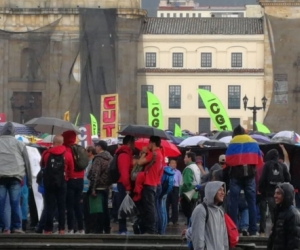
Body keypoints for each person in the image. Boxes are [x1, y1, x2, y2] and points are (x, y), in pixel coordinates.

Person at [226, 124, 263, 236]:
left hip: (236, 176)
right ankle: (253, 230)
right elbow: (259, 160)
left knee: (234, 203)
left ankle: (233, 230)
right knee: (251, 203)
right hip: (249, 176)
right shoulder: (253, 141)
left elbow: (228, 160)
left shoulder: (232, 142)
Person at [0, 122, 32, 234]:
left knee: (1, 203)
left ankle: (1, 227)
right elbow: (27, 163)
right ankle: (17, 227)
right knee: (16, 203)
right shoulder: (20, 144)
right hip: (15, 176)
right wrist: (29, 182)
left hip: (1, 177)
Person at [42, 135, 73, 234]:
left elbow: (42, 165)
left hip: (49, 183)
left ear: (53, 142)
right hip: (62, 182)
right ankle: (61, 229)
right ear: (62, 142)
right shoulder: (67, 154)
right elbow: (71, 169)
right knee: (61, 206)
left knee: (50, 206)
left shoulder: (46, 153)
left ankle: (48, 229)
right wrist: (66, 177)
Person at [259, 149, 291, 235]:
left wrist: (260, 189)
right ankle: (280, 229)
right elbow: (288, 179)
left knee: (272, 212)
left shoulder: (267, 165)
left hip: (270, 193)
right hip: (281, 193)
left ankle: (268, 230)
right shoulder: (282, 165)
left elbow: (262, 178)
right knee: (280, 212)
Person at [189, 181, 229, 250]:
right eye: (219, 190)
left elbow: (224, 237)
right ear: (212, 191)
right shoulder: (200, 210)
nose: (223, 193)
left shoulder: (220, 211)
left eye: (223, 190)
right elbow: (198, 238)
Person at [138, 136, 163, 234]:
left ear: (152, 143)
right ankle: (153, 228)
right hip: (156, 184)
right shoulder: (160, 154)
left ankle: (151, 229)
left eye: (149, 143)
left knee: (150, 208)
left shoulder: (153, 154)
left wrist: (144, 152)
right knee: (153, 207)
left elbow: (140, 162)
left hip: (149, 183)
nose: (148, 144)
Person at [62, 130, 84, 234]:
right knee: (78, 205)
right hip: (80, 180)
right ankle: (81, 228)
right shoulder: (79, 149)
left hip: (70, 180)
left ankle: (71, 228)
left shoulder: (65, 150)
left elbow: (66, 166)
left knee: (70, 206)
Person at [88, 140, 112, 234]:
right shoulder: (110, 158)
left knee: (98, 210)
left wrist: (93, 188)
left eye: (96, 146)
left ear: (100, 147)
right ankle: (107, 228)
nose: (95, 148)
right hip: (107, 187)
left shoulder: (98, 158)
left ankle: (98, 229)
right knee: (106, 209)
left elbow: (95, 174)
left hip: (98, 187)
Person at [267, 183, 300, 250]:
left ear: (286, 195)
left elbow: (294, 242)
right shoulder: (278, 211)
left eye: (278, 193)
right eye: (275, 193)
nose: (275, 196)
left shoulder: (293, 214)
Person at [115, 135, 135, 235]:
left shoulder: (125, 154)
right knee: (122, 207)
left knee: (123, 207)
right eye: (133, 143)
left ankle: (123, 229)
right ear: (129, 143)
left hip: (122, 184)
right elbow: (124, 172)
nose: (134, 145)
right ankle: (122, 229)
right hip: (123, 185)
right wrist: (127, 187)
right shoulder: (124, 155)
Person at [180, 152, 200, 225]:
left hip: (187, 194)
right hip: (195, 194)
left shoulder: (188, 168)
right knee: (192, 213)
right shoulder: (196, 167)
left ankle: (189, 230)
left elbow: (187, 183)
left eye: (185, 157)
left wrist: (181, 192)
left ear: (189, 158)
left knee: (189, 215)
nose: (184, 159)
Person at [83, 146, 96, 234]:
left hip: (89, 188)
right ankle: (87, 227)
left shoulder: (94, 162)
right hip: (84, 189)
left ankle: (91, 227)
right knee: (85, 210)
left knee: (91, 209)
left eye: (86, 151)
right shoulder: (85, 162)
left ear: (90, 152)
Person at [167, 159, 181, 226]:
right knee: (166, 205)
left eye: (175, 163)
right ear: (169, 164)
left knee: (175, 205)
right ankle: (166, 220)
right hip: (167, 188)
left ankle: (174, 220)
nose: (174, 164)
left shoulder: (178, 172)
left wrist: (179, 192)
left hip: (175, 188)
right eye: (172, 163)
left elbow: (180, 182)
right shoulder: (166, 171)